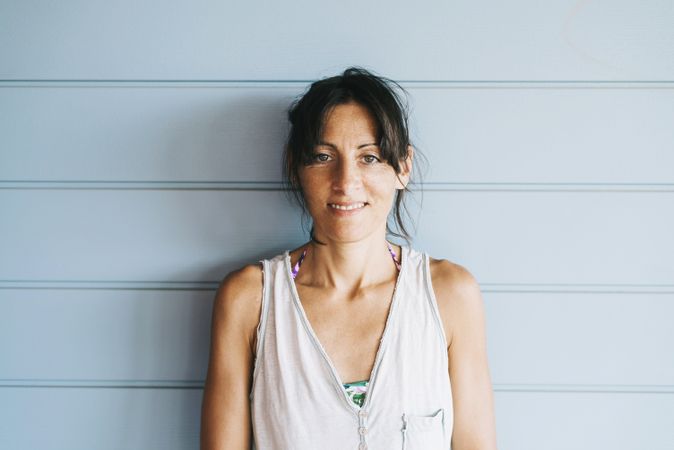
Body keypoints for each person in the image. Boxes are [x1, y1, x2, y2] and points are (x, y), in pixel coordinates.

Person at [200, 67, 497, 450]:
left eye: (369, 157)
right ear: (295, 167)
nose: (346, 181)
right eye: (323, 156)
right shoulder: (249, 299)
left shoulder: (449, 295)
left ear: (402, 167)